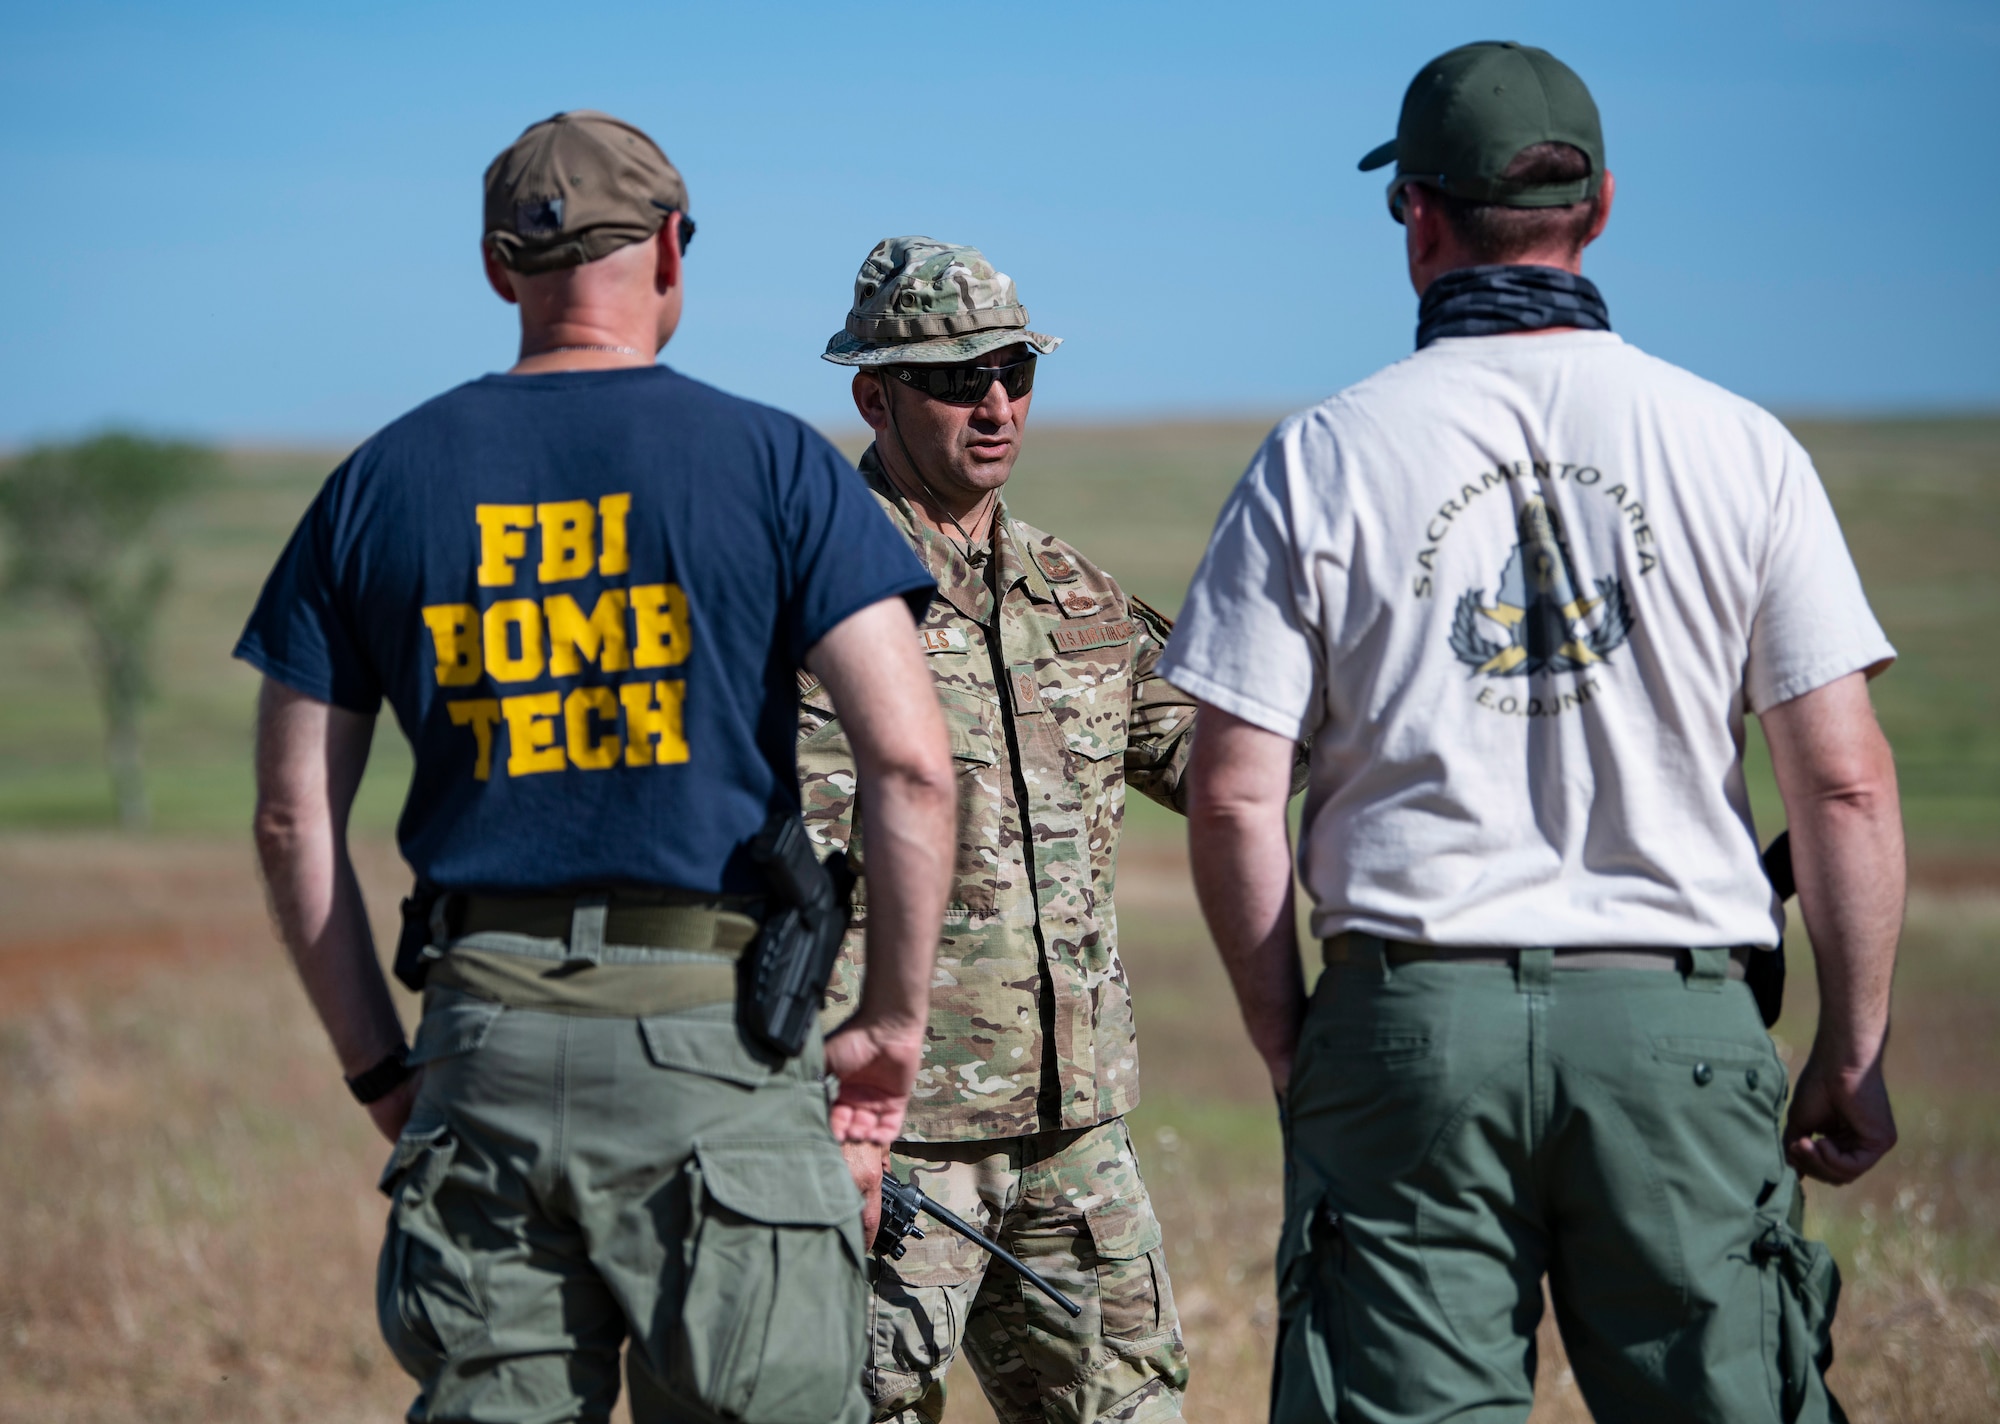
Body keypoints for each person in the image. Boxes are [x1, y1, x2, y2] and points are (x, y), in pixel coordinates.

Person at [1162, 43, 1902, 1424]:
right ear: (1601, 208)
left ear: (1418, 220)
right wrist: (1850, 1048)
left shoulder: (1323, 453)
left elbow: (1228, 796)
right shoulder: (1741, 446)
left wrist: (1295, 1042)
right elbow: (1847, 785)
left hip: (1409, 1018)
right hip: (1678, 1020)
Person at [237, 111, 955, 1424]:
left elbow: (293, 819)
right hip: (718, 1050)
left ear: (497, 268)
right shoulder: (780, 465)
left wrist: (381, 1070)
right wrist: (894, 1027)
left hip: (482, 1040)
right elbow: (910, 768)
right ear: (674, 252)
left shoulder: (375, 484)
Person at [797, 236, 1196, 1423]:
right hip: (884, 1133)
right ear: (874, 394)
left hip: (1074, 1134)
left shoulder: (1073, 591)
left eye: (1015, 369)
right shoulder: (808, 586)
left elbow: (1215, 759)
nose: (995, 402)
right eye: (957, 376)